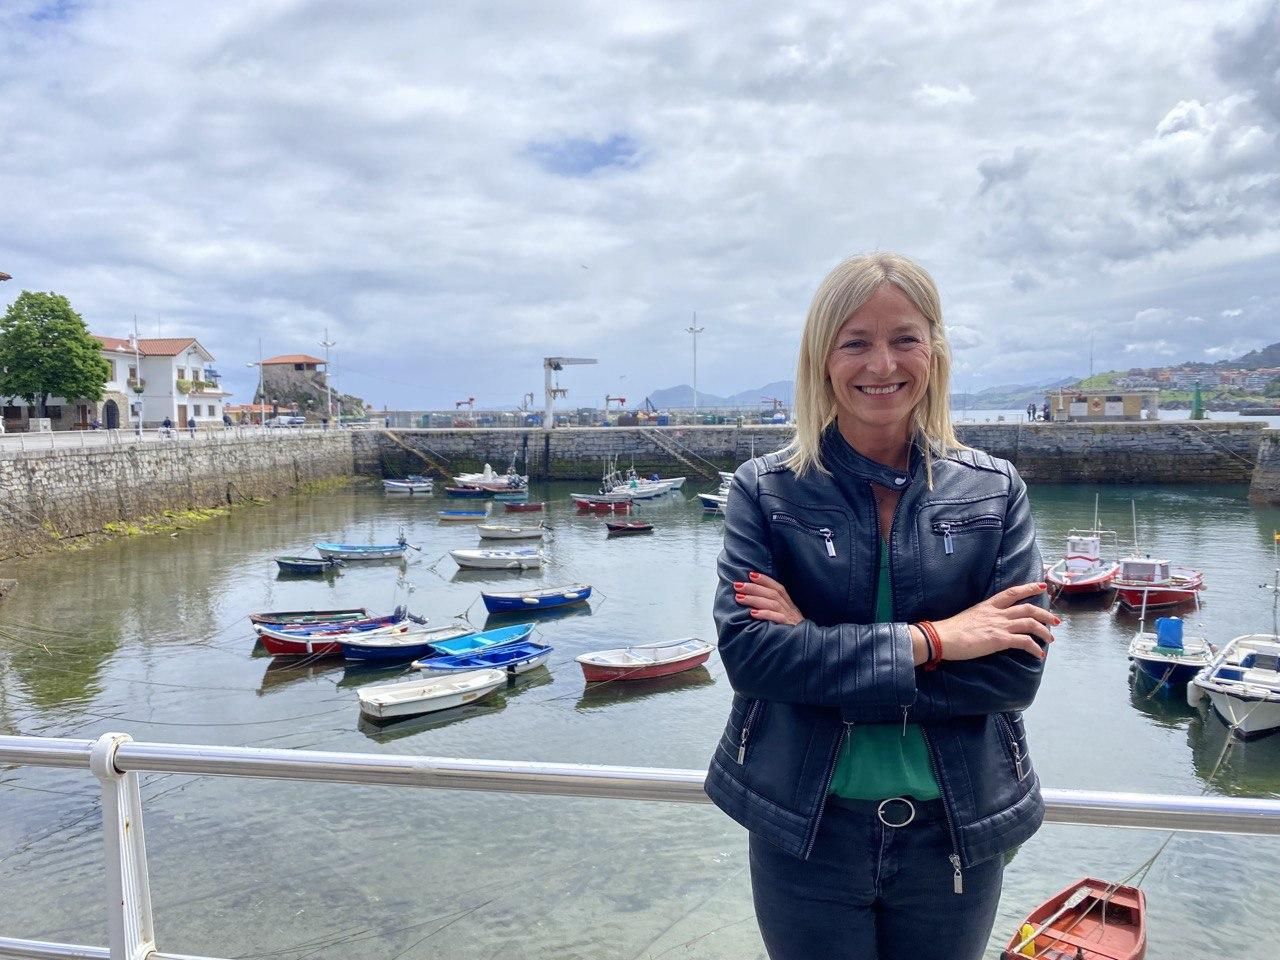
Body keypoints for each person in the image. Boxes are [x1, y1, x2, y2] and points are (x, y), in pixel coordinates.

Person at [706, 252, 1055, 960]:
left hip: (954, 830)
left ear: (935, 350)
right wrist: (935, 640)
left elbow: (1012, 675)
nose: (882, 363)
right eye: (855, 341)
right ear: (822, 358)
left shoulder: (994, 491)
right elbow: (752, 658)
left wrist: (817, 648)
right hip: (806, 827)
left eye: (905, 338)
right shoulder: (765, 491)